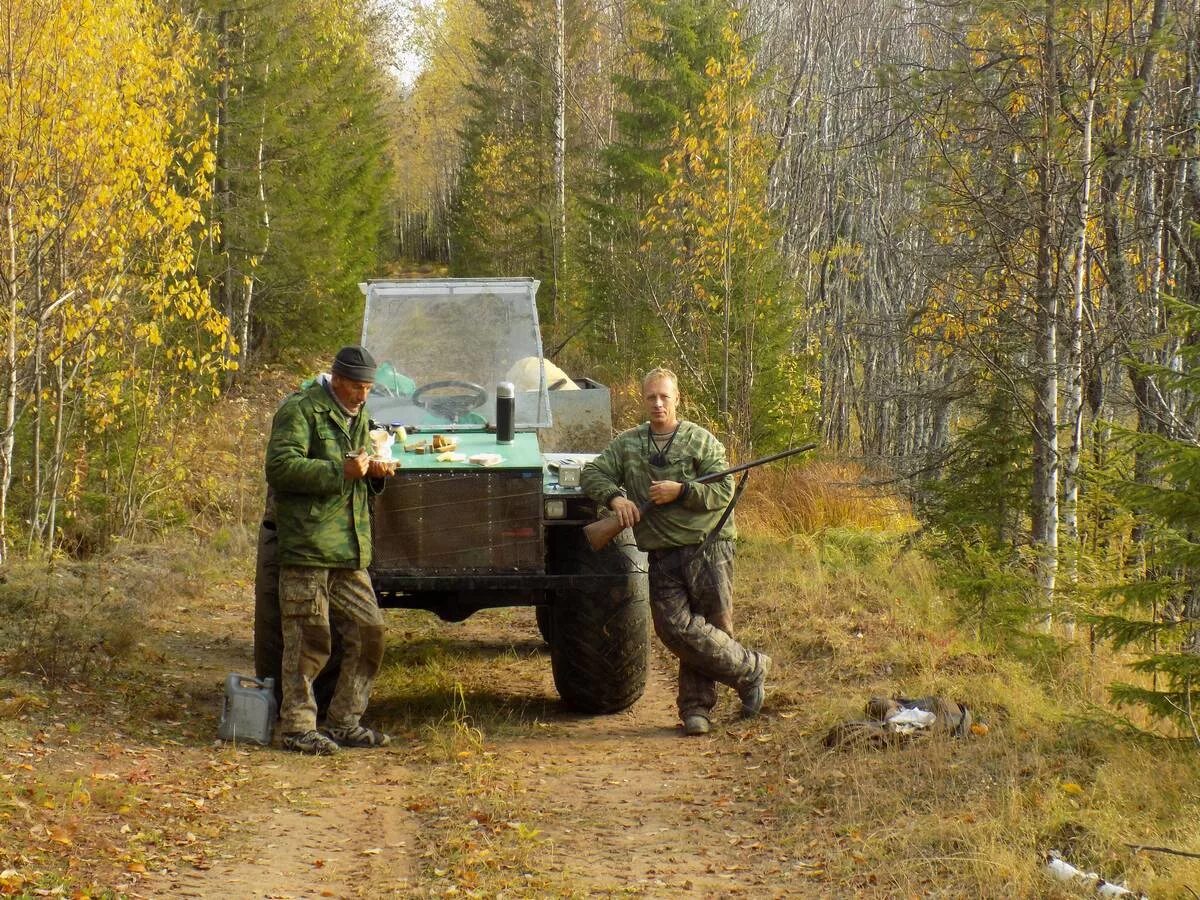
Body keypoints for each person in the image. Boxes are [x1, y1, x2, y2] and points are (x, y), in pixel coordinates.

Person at [580, 368, 771, 736]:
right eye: (651, 397)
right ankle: (751, 671)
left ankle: (696, 710)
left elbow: (721, 493)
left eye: (664, 397)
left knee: (712, 627)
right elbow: (592, 473)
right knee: (675, 629)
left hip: (709, 548)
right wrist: (615, 498)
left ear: (677, 399)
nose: (657, 403)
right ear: (643, 400)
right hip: (662, 554)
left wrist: (680, 492)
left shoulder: (700, 441)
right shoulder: (628, 444)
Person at [265, 345, 395, 754]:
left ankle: (343, 722)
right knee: (308, 640)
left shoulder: (359, 418)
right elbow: (280, 467)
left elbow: (359, 469)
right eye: (357, 386)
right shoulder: (301, 410)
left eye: (369, 387)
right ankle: (297, 728)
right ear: (336, 379)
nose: (363, 394)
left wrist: (375, 472)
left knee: (369, 632)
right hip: (307, 547)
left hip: (349, 549)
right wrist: (338, 469)